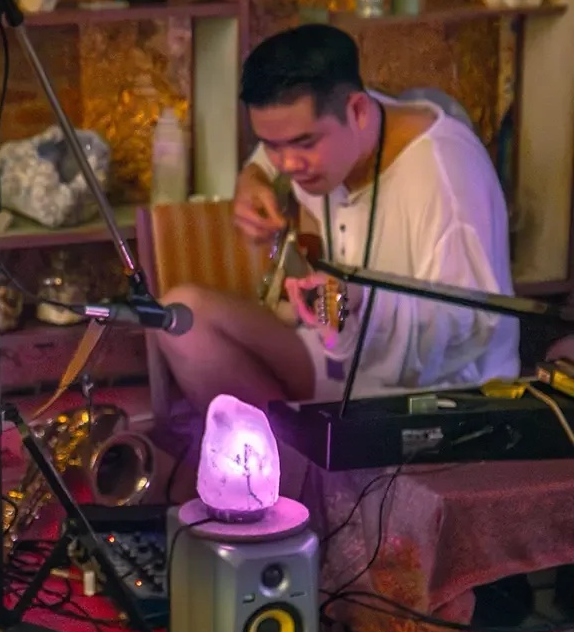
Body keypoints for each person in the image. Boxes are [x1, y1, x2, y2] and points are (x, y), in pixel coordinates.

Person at [154, 23, 519, 415]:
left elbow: (472, 326)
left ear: (358, 111)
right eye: (271, 146)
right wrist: (253, 176)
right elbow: (282, 146)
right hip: (339, 358)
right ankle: (283, 459)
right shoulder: (340, 124)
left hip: (434, 394)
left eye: (304, 144)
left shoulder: (446, 174)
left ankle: (302, 455)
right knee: (180, 318)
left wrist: (361, 303)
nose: (288, 164)